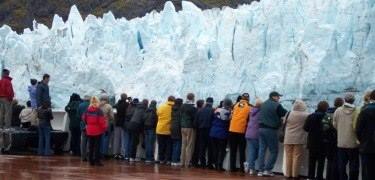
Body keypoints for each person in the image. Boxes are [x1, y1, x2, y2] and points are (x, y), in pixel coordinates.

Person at [258, 91, 287, 176]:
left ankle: (260, 170)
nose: (279, 98)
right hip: (270, 130)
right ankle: (267, 169)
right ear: (273, 97)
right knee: (274, 150)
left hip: (261, 129)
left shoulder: (263, 104)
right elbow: (285, 113)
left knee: (262, 149)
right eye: (278, 96)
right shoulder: (276, 105)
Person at [333, 93, 360, 180]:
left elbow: (334, 124)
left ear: (345, 100)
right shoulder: (356, 110)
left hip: (341, 142)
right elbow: (358, 126)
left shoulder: (338, 110)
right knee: (354, 165)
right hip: (353, 143)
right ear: (353, 100)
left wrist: (341, 130)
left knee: (341, 165)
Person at [304, 101, 331, 180]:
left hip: (312, 142)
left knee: (311, 161)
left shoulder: (311, 116)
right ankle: (319, 177)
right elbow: (328, 129)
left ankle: (310, 177)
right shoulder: (327, 117)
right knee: (321, 161)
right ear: (326, 108)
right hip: (322, 143)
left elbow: (305, 128)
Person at [284, 100, 309, 178]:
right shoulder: (306, 115)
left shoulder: (288, 113)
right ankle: (295, 174)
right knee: (296, 157)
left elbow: (284, 122)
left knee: (288, 156)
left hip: (288, 138)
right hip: (299, 138)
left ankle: (288, 174)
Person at [229, 93, 251, 172]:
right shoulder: (249, 106)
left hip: (232, 129)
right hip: (241, 130)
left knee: (233, 150)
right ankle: (242, 168)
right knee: (242, 150)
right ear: (248, 99)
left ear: (241, 98)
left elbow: (231, 116)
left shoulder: (235, 105)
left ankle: (232, 167)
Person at [82, 96, 107, 166]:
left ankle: (90, 161)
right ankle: (97, 161)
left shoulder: (88, 110)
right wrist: (104, 128)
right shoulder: (99, 111)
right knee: (97, 146)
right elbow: (101, 122)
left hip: (89, 130)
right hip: (97, 130)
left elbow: (84, 118)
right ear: (97, 102)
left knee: (91, 146)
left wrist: (88, 124)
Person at [356, 90, 375, 180]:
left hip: (367, 146)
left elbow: (358, 129)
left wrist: (362, 140)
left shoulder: (365, 110)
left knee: (367, 172)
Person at [210, 98, 233, 171]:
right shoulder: (228, 112)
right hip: (222, 133)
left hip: (213, 132)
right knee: (221, 150)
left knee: (215, 150)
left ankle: (215, 164)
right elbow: (228, 121)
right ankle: (219, 165)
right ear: (229, 105)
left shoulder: (216, 110)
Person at [323, 98, 343, 180]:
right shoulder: (340, 113)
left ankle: (328, 176)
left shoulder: (327, 113)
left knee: (330, 159)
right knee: (337, 159)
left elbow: (324, 127)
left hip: (328, 140)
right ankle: (335, 177)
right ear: (341, 104)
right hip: (337, 139)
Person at [195, 97, 215, 168]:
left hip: (201, 131)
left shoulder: (200, 110)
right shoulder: (213, 111)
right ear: (212, 103)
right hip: (210, 131)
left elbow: (196, 122)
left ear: (206, 102)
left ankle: (202, 163)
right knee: (210, 148)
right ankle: (209, 164)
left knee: (202, 147)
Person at [245, 98, 262, 175]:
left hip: (248, 133)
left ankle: (251, 168)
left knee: (252, 151)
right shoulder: (261, 112)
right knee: (259, 152)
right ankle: (251, 165)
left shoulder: (251, 110)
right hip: (256, 134)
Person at [180, 93, 197, 167]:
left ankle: (182, 162)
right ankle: (187, 163)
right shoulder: (192, 107)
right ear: (193, 98)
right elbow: (194, 118)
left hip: (182, 126)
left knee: (183, 145)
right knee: (189, 145)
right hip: (189, 127)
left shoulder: (182, 106)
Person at [156, 96, 175, 164]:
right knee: (169, 146)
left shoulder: (161, 106)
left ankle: (161, 159)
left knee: (161, 145)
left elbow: (157, 114)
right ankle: (168, 160)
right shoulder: (174, 108)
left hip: (160, 129)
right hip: (169, 130)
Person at [113, 93, 128, 160]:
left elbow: (114, 114)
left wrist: (115, 121)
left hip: (117, 123)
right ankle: (122, 154)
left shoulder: (115, 105)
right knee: (123, 139)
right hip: (124, 124)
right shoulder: (127, 105)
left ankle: (116, 153)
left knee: (117, 139)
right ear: (125, 98)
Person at [191, 99, 204, 167]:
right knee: (197, 146)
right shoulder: (200, 111)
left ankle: (193, 161)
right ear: (202, 104)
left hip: (196, 129)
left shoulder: (196, 110)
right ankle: (195, 162)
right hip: (199, 130)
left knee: (195, 146)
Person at [171, 98, 183, 166]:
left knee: (174, 144)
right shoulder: (180, 110)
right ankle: (175, 160)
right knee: (178, 144)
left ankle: (173, 160)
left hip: (172, 126)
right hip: (178, 127)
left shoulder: (173, 108)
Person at [78, 95, 90, 161]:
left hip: (83, 125)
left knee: (83, 141)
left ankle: (83, 156)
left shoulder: (80, 105)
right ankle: (89, 155)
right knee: (90, 141)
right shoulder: (91, 105)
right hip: (90, 125)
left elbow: (78, 115)